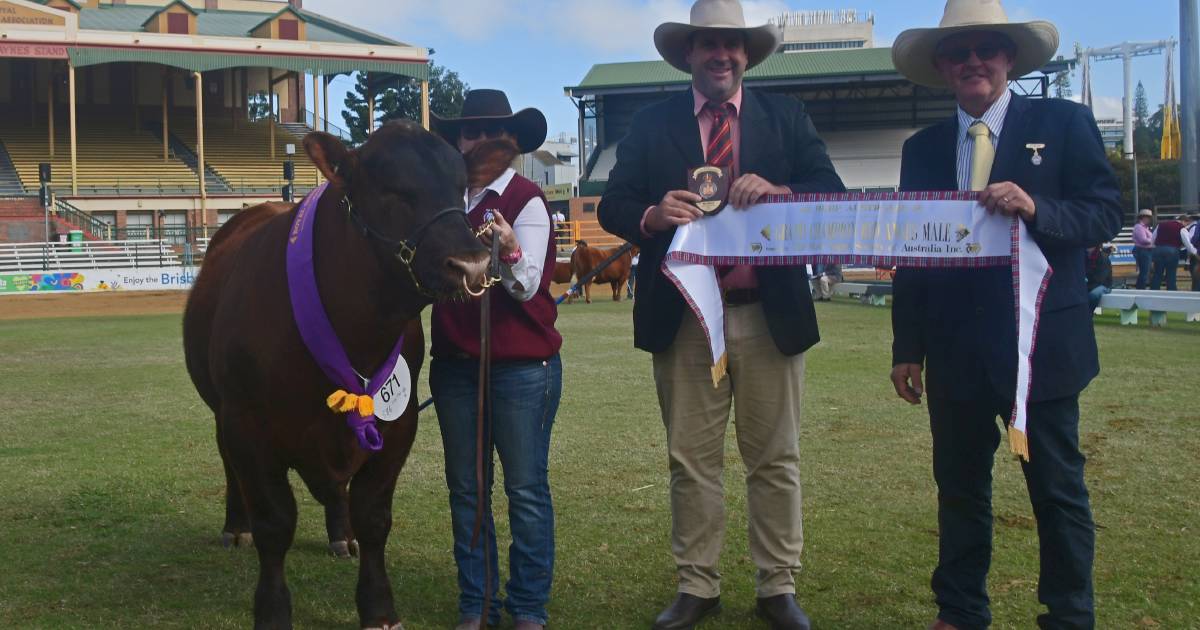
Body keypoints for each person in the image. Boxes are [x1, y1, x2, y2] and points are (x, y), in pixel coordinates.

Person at [598, 1, 845, 628]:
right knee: (690, 458)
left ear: (746, 55)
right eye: (709, 43)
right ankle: (697, 584)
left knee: (776, 457)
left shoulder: (785, 118)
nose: (721, 54)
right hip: (684, 316)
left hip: (768, 312)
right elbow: (614, 204)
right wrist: (652, 216)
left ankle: (777, 585)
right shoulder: (652, 125)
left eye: (732, 45)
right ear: (689, 53)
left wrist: (784, 195)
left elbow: (830, 192)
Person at [887, 1, 1122, 628]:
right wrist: (906, 346)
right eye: (957, 53)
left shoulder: (1065, 123)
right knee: (960, 488)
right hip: (954, 347)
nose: (972, 62)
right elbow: (914, 252)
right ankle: (961, 610)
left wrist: (1036, 208)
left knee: (1057, 489)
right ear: (942, 66)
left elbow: (1103, 214)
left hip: (1042, 342)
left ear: (1008, 58)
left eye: (984, 49)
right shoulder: (923, 147)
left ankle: (1070, 616)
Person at [429, 89, 562, 630]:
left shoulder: (526, 199)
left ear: (507, 144)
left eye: (490, 132)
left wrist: (506, 249)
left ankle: (527, 607)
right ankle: (476, 604)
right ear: (458, 141)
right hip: (456, 364)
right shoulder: (440, 200)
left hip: (522, 368)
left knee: (524, 490)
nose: (478, 141)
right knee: (467, 490)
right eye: (468, 131)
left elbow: (528, 287)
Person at [1150, 214, 1187, 291]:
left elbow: (1152, 239)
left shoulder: (1160, 225)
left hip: (1158, 250)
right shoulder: (1181, 227)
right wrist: (1194, 252)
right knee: (1171, 274)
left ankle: (1154, 291)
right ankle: (1171, 291)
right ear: (1183, 221)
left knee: (1157, 273)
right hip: (1172, 251)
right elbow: (1187, 242)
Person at [1132, 208, 1155, 289]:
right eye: (1148, 217)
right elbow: (1143, 240)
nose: (1149, 219)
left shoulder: (1144, 227)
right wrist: (1153, 240)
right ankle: (1140, 288)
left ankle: (1140, 288)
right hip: (1143, 250)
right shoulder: (1139, 227)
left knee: (1145, 272)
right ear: (1143, 217)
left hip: (1145, 250)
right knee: (1144, 272)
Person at [1085, 244, 1113, 310]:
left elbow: (1100, 279)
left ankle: (1088, 314)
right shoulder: (1084, 257)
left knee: (1094, 294)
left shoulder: (1103, 258)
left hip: (1104, 285)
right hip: (1089, 285)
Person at [1180, 214, 1198, 291]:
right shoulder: (1194, 227)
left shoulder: (1192, 228)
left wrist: (1187, 261)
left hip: (1195, 254)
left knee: (1196, 278)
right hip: (1195, 253)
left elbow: (1190, 243)